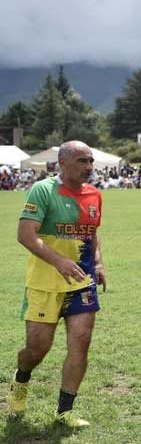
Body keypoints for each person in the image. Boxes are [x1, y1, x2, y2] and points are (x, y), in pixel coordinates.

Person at [9, 141, 106, 427]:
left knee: (81, 342)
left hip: (81, 282)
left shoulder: (94, 195)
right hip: (44, 283)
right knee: (37, 349)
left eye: (90, 161)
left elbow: (92, 234)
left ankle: (65, 411)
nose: (88, 167)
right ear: (62, 163)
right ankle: (22, 378)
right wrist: (59, 261)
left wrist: (98, 263)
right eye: (81, 161)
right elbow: (26, 235)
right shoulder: (43, 190)